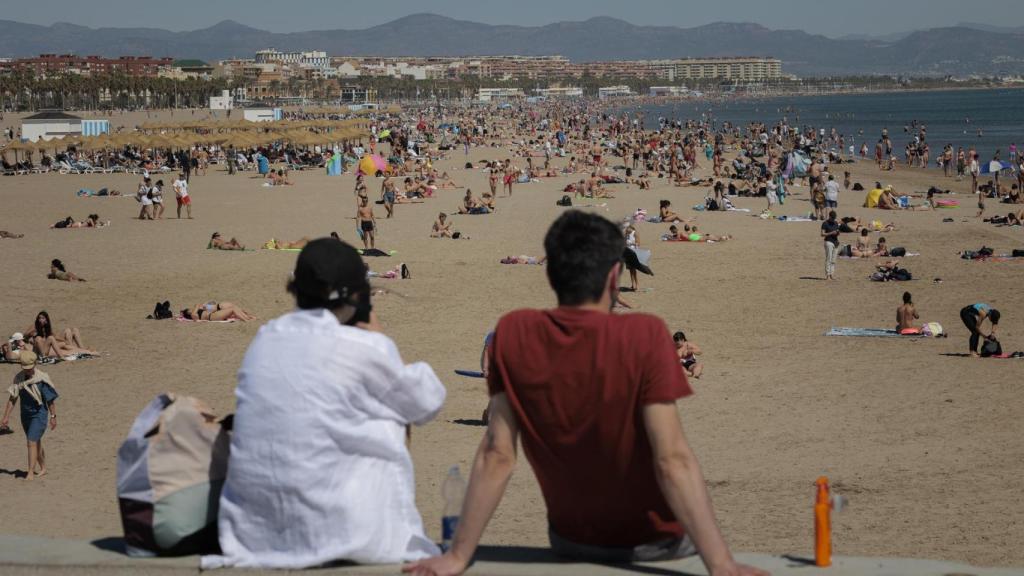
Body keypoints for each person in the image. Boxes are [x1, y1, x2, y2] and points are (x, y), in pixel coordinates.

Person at [404, 211, 764, 576]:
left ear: (550, 273)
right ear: (613, 275)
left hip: (572, 539)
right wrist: (720, 564)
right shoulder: (645, 334)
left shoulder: (514, 332)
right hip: (656, 545)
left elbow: (497, 455)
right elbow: (673, 459)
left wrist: (457, 556)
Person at [205, 239, 445, 569]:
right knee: (394, 411)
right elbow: (427, 402)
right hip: (350, 535)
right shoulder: (363, 346)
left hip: (253, 536)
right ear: (355, 296)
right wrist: (380, 337)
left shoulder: (266, 337)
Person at [1, 351, 58, 481]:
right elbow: (12, 398)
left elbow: (50, 400)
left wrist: (53, 417)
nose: (27, 370)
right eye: (25, 367)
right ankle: (43, 467)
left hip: (39, 414)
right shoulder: (19, 378)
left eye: (29, 367)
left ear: (34, 364)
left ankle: (30, 472)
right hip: (25, 415)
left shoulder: (41, 379)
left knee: (31, 442)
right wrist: (6, 417)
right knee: (35, 442)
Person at [181, 302, 256, 322]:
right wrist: (195, 309)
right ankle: (246, 320)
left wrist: (197, 307)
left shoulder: (196, 310)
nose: (192, 309)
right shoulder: (194, 314)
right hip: (212, 317)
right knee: (232, 309)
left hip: (213, 314)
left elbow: (201, 305)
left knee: (233, 309)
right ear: (188, 313)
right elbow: (195, 317)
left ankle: (248, 317)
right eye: (190, 309)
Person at [821, 210, 840, 281]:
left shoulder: (836, 223)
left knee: (833, 260)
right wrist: (831, 233)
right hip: (828, 241)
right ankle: (827, 275)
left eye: (834, 218)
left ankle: (832, 274)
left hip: (835, 242)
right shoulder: (825, 223)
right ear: (830, 217)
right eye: (833, 218)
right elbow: (822, 234)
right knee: (828, 258)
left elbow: (837, 232)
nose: (834, 219)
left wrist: (837, 233)